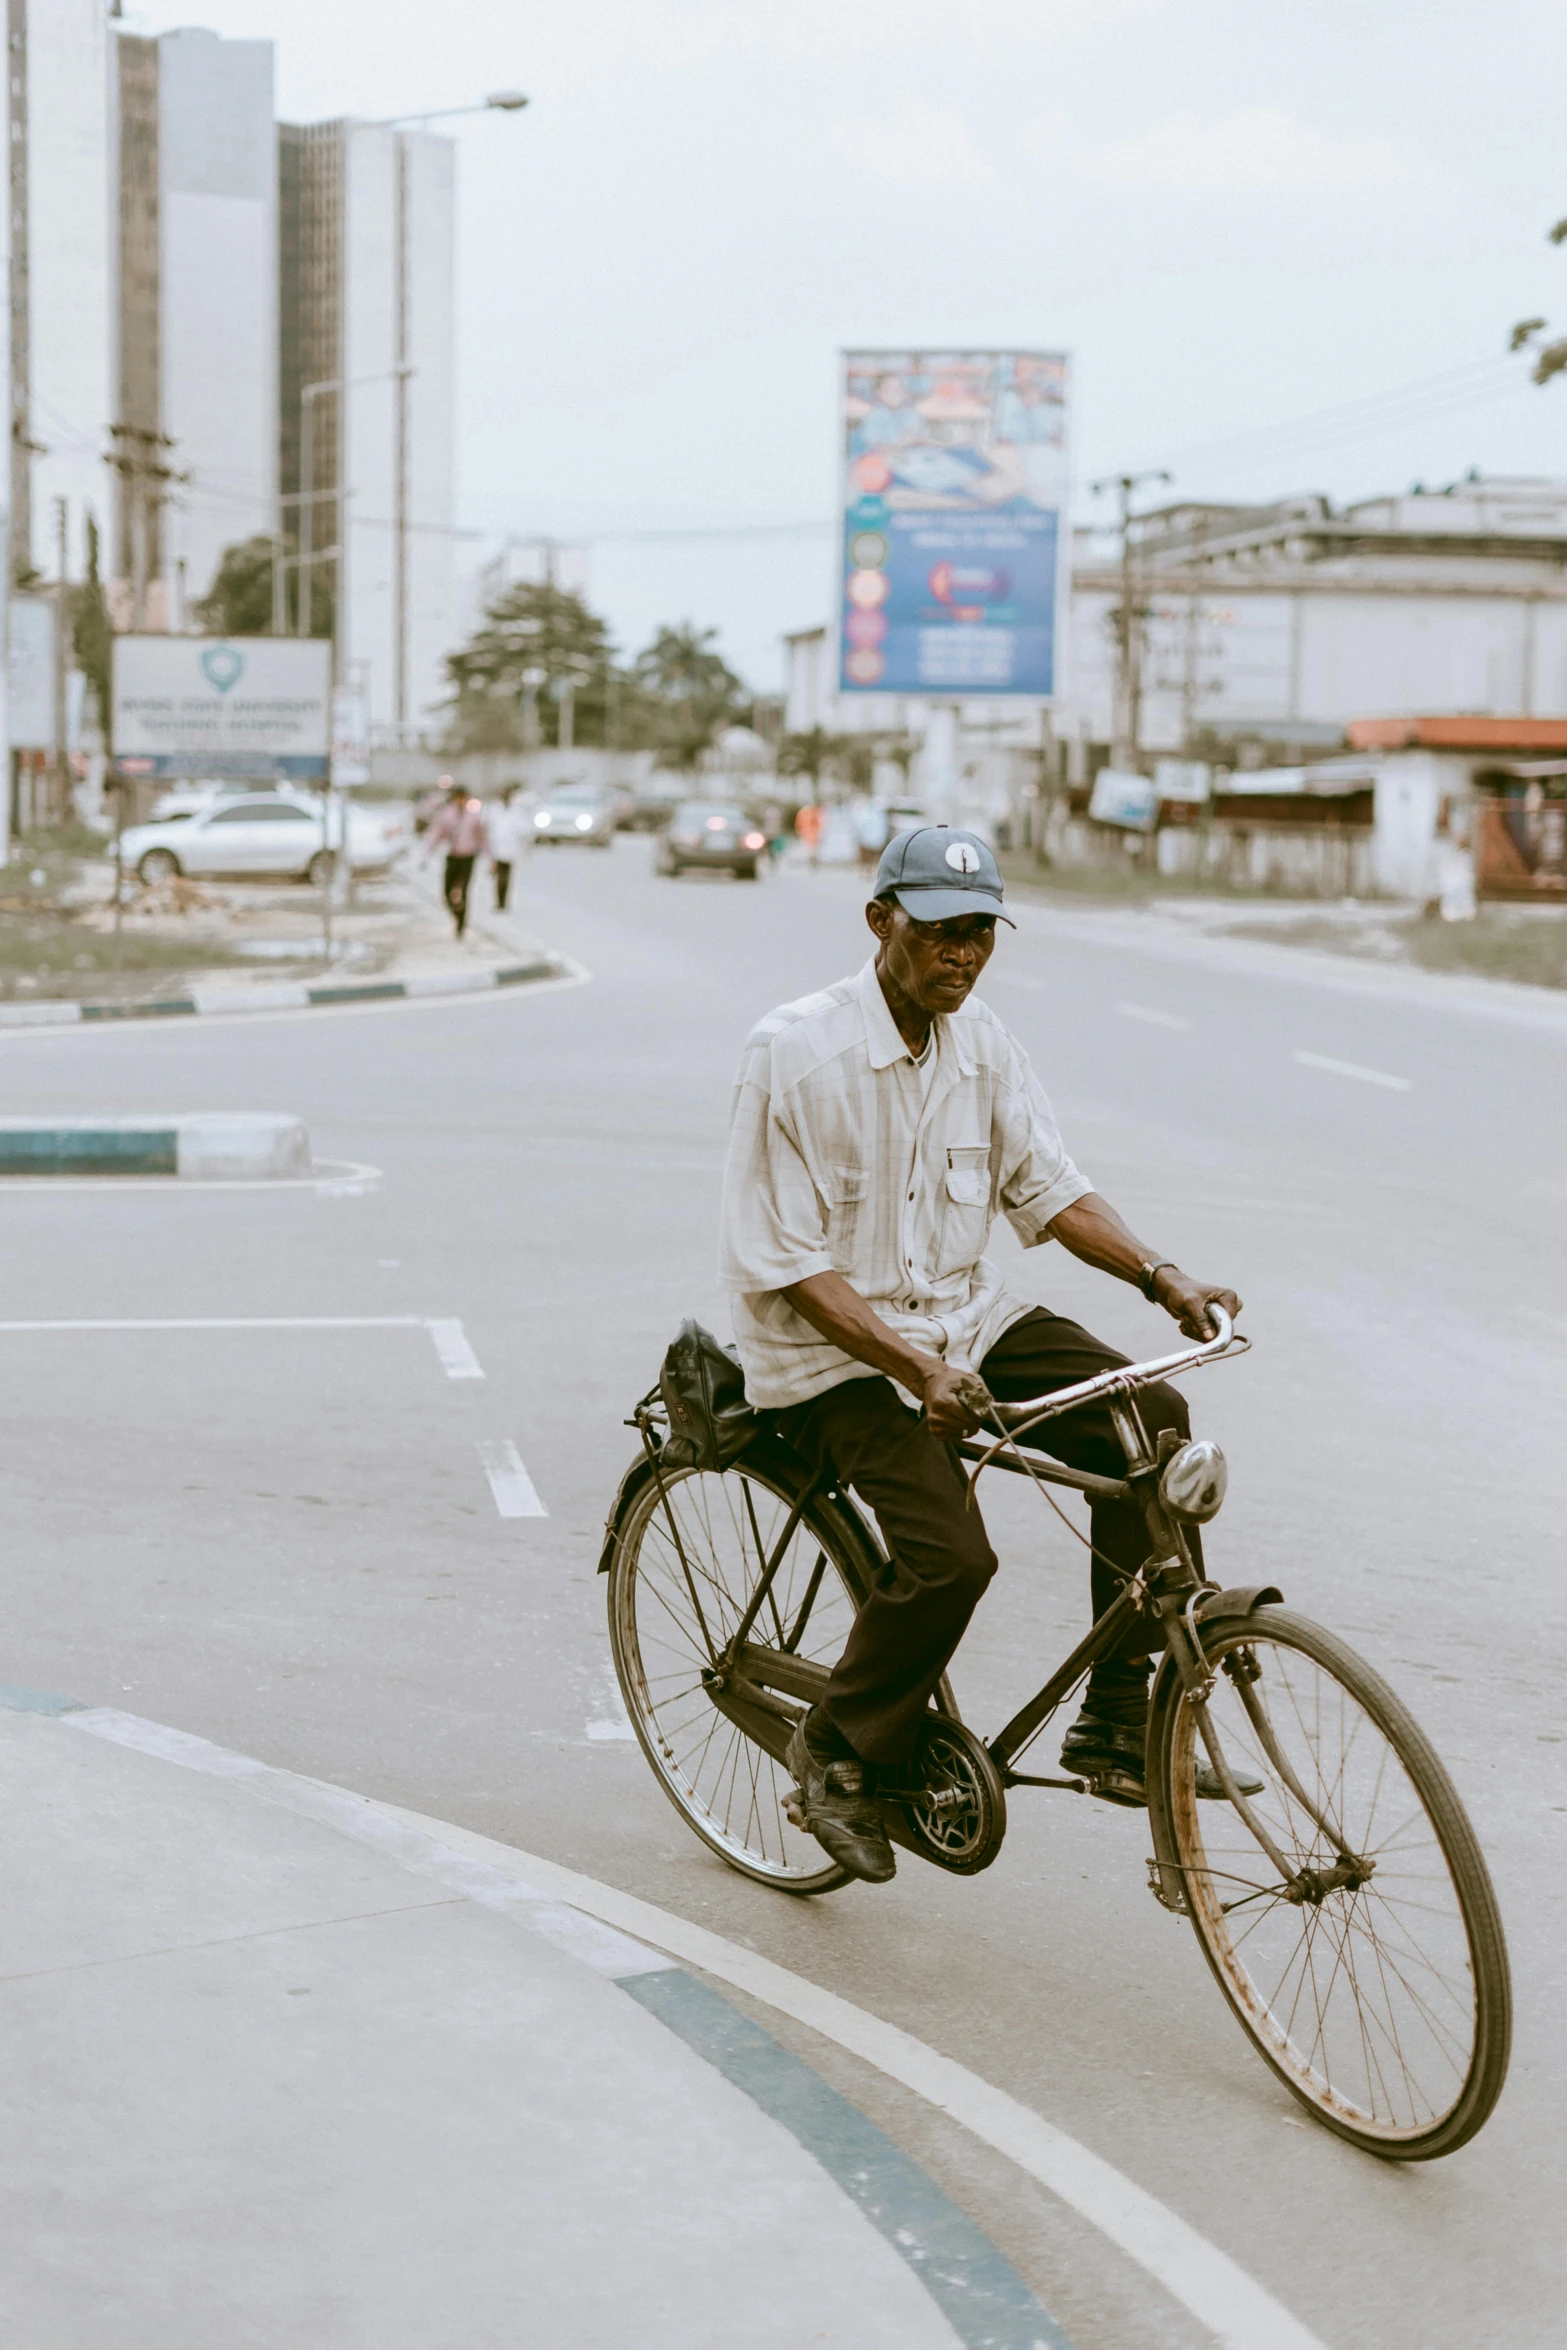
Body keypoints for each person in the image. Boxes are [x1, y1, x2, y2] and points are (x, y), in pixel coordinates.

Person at [719, 826, 1241, 1885]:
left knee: (1149, 1418)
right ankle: (835, 1750)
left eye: (979, 936)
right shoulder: (796, 1049)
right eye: (940, 933)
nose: (961, 956)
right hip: (837, 1355)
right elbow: (783, 1262)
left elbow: (1048, 1189)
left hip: (965, 1321)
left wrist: (1163, 1276)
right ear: (881, 923)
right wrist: (915, 1372)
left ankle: (1109, 1717)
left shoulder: (983, 1044)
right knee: (953, 1558)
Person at [423, 780, 490, 939]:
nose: (460, 801)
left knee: (465, 891)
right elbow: (436, 834)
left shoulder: (474, 816)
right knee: (447, 892)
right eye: (457, 798)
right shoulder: (446, 815)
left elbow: (483, 838)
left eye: (462, 798)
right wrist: (426, 853)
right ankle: (456, 913)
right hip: (452, 857)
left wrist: (490, 859)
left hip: (468, 857)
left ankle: (462, 923)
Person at [487, 783, 528, 912]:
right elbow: (489, 828)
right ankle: (499, 902)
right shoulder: (494, 810)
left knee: (506, 878)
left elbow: (523, 830)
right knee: (500, 877)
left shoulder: (517, 811)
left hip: (510, 849)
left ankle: (503, 902)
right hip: (496, 849)